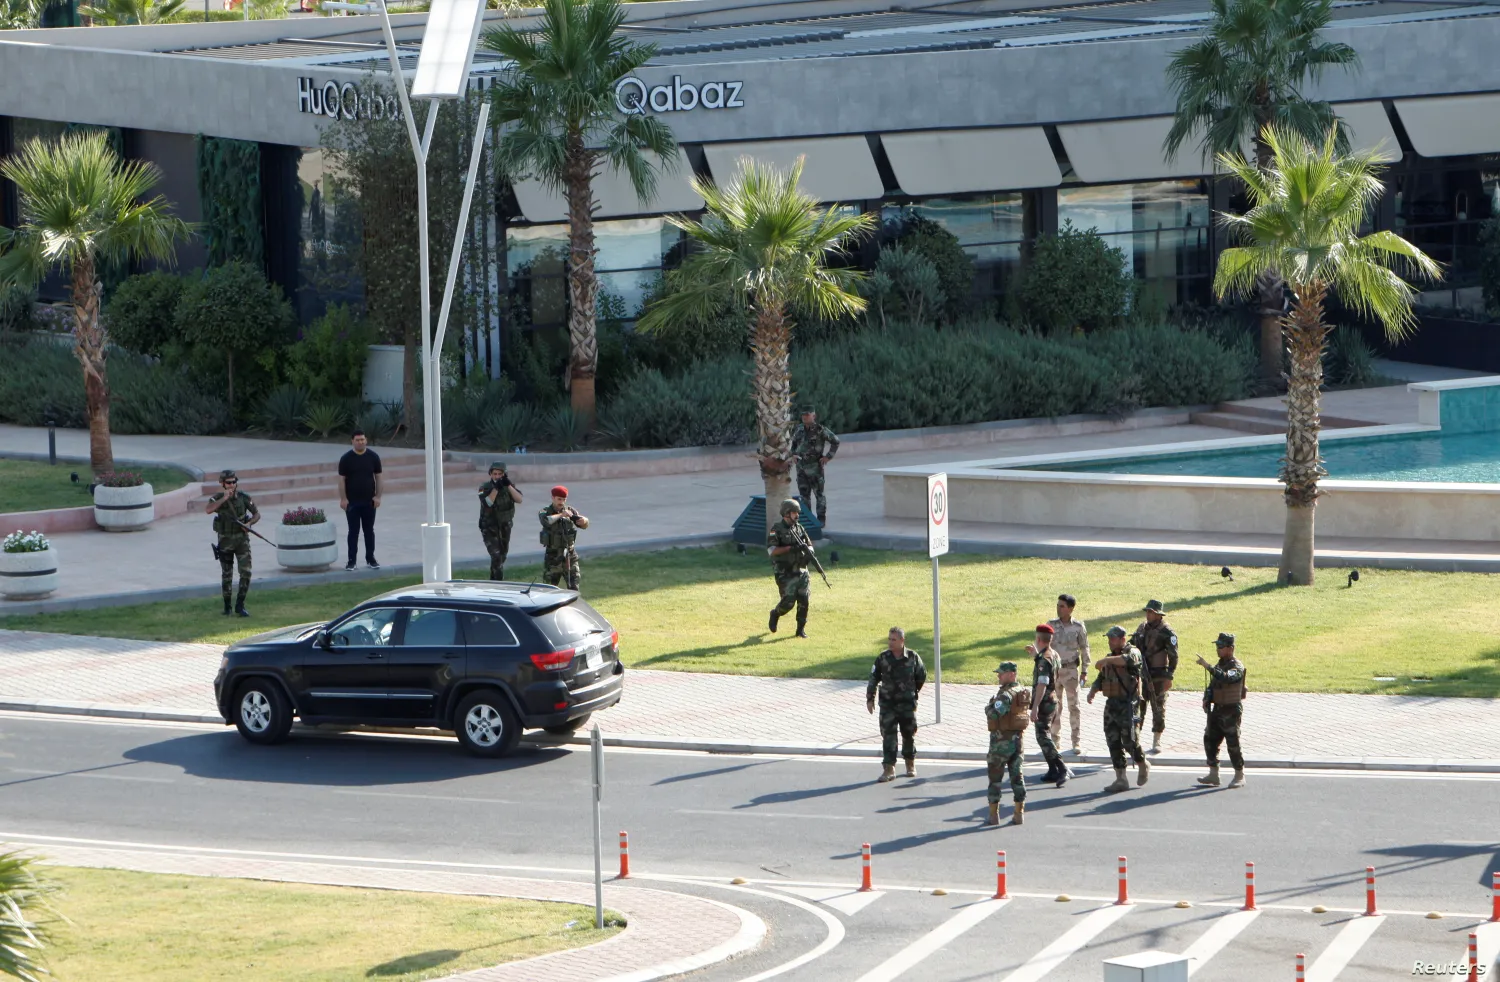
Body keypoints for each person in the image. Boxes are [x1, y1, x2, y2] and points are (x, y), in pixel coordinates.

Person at [1087, 626, 1151, 792]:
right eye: (1109, 639)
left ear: (1123, 639)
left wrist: (1107, 660)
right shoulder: (1110, 658)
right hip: (1112, 705)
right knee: (1112, 740)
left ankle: (1142, 763)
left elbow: (1127, 660)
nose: (1110, 642)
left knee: (1130, 741)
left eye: (1113, 638)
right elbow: (1101, 677)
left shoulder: (1133, 652)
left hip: (1128, 704)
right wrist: (1093, 690)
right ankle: (1121, 778)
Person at [866, 626, 927, 783]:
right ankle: (889, 769)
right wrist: (870, 698)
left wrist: (913, 693)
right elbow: (874, 677)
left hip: (907, 704)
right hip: (888, 705)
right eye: (889, 639)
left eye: (894, 640)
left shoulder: (913, 657)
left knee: (908, 734)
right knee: (888, 736)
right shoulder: (883, 658)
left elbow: (921, 676)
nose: (890, 643)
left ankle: (910, 764)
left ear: (902, 640)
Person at [205, 469, 260, 617]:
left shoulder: (243, 497)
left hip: (242, 540)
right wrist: (224, 499)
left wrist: (249, 524)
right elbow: (208, 510)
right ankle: (227, 606)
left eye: (234, 482)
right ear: (222, 483)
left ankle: (240, 605)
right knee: (227, 574)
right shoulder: (217, 498)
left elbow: (257, 514)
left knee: (246, 572)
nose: (232, 485)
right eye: (228, 482)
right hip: (225, 541)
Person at [1197, 633, 1248, 789]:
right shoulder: (1220, 665)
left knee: (1233, 743)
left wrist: (1208, 667)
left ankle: (1239, 775)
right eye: (1217, 647)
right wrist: (1207, 698)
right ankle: (1214, 773)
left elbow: (1227, 678)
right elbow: (1213, 685)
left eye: (1221, 647)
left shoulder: (1236, 666)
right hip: (1217, 709)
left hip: (1231, 710)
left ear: (1230, 649)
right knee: (1210, 740)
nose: (1218, 650)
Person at [1129, 599, 1179, 754]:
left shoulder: (1167, 632)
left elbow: (1174, 656)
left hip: (1158, 675)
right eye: (1147, 612)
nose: (1148, 614)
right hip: (1142, 675)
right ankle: (1135, 739)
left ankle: (1157, 739)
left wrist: (1169, 677)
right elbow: (1132, 645)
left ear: (1158, 614)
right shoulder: (1142, 628)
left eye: (1151, 612)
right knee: (1138, 707)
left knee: (1158, 708)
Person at [984, 661, 1030, 826]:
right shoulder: (1022, 691)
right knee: (1017, 777)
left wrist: (988, 707)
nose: (998, 676)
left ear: (1011, 674)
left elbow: (995, 714)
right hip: (1017, 742)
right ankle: (1019, 813)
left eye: (1001, 673)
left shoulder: (1005, 695)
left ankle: (993, 815)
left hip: (1000, 743)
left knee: (995, 779)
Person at [1026, 623, 1068, 788]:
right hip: (1052, 699)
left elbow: (1042, 683)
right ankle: (1052, 770)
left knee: (1043, 736)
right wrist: (1036, 656)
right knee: (1043, 736)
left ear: (1038, 639)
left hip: (1045, 702)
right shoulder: (1052, 654)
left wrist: (1035, 706)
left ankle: (1062, 768)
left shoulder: (1045, 659)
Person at [1048, 593, 1091, 755]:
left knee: (1074, 707)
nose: (1059, 608)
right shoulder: (1051, 625)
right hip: (1054, 672)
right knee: (1054, 707)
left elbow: (1084, 648)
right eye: (1058, 605)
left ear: (1071, 609)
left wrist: (1085, 671)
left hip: (1071, 671)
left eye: (1062, 606)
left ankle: (1076, 742)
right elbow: (1045, 647)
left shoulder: (1078, 627)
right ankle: (1054, 741)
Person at [766, 498, 813, 638]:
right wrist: (791, 548)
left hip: (801, 570)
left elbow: (809, 543)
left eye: (797, 513)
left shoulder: (799, 527)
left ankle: (800, 630)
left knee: (804, 600)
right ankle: (775, 613)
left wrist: (809, 551)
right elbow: (772, 550)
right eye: (794, 513)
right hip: (785, 572)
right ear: (786, 513)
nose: (797, 515)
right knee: (788, 603)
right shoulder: (777, 530)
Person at [338, 429, 383, 571]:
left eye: (362, 439)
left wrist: (378, 496)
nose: (360, 442)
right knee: (353, 532)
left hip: (369, 501)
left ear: (366, 440)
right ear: (352, 441)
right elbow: (341, 480)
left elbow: (379, 477)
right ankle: (352, 561)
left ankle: (371, 559)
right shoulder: (346, 459)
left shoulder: (373, 457)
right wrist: (343, 498)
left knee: (369, 531)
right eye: (357, 440)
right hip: (352, 503)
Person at [790, 407, 840, 526]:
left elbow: (835, 441)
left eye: (807, 415)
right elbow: (794, 444)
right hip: (801, 468)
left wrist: (828, 456)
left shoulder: (820, 430)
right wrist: (794, 455)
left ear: (814, 416)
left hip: (815, 468)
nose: (804, 417)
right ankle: (807, 519)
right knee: (804, 495)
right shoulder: (799, 429)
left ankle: (821, 519)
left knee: (819, 494)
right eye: (803, 415)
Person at [478, 461, 522, 581]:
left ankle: (493, 581)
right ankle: (499, 582)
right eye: (495, 474)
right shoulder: (485, 487)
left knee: (502, 556)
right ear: (491, 474)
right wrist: (496, 489)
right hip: (489, 526)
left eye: (500, 474)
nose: (497, 476)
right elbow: (488, 503)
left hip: (505, 526)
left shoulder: (509, 486)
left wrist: (508, 486)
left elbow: (519, 499)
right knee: (496, 556)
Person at [539, 486, 588, 589]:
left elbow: (584, 525)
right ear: (553, 498)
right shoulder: (545, 511)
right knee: (548, 590)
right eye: (559, 499)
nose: (561, 502)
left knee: (574, 588)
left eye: (564, 499)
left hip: (570, 557)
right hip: (553, 557)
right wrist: (561, 515)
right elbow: (546, 521)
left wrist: (584, 521)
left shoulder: (570, 511)